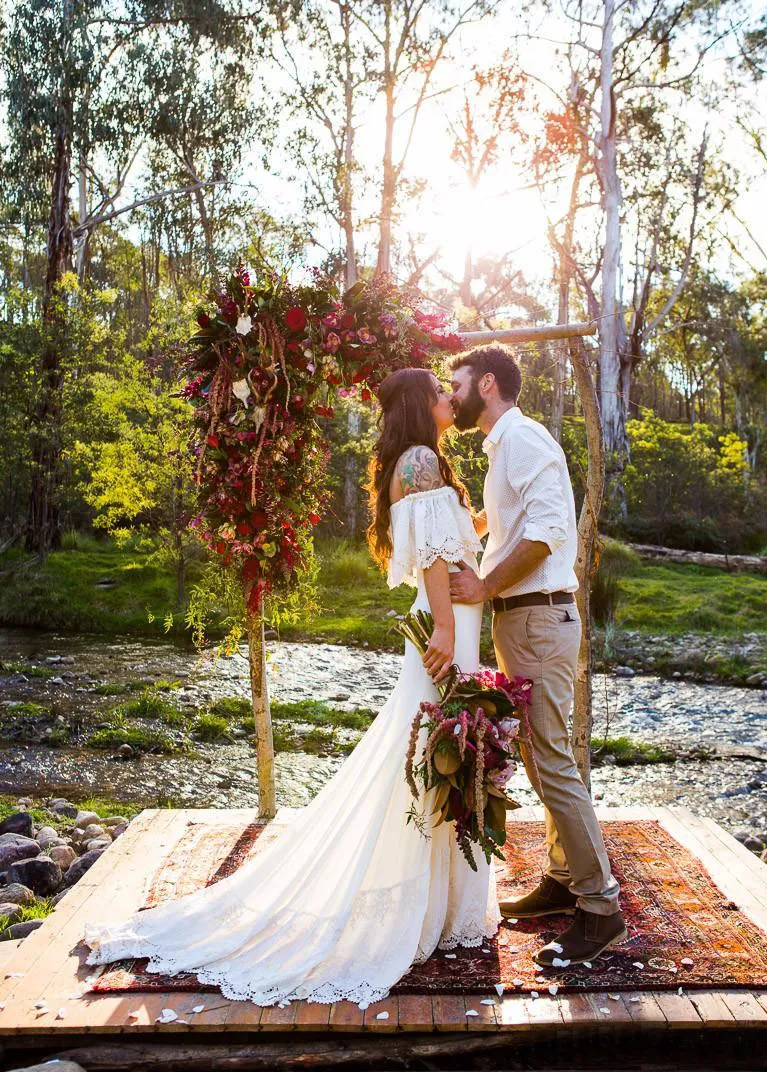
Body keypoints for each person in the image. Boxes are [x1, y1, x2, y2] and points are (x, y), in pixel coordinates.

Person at [82, 367, 499, 1007]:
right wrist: (445, 625)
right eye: (441, 391)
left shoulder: (425, 459)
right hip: (448, 626)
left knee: (435, 750)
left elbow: (456, 543)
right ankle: (415, 904)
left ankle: (438, 903)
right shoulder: (418, 460)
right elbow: (437, 558)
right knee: (423, 752)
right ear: (421, 403)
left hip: (459, 620)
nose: (451, 398)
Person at [448, 344, 627, 966]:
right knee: (537, 753)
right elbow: (510, 529)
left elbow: (549, 532)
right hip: (522, 620)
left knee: (551, 758)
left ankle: (601, 908)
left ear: (488, 384)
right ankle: (561, 879)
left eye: (459, 382)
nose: (453, 393)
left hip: (539, 616)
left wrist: (484, 585)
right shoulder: (503, 449)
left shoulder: (523, 440)